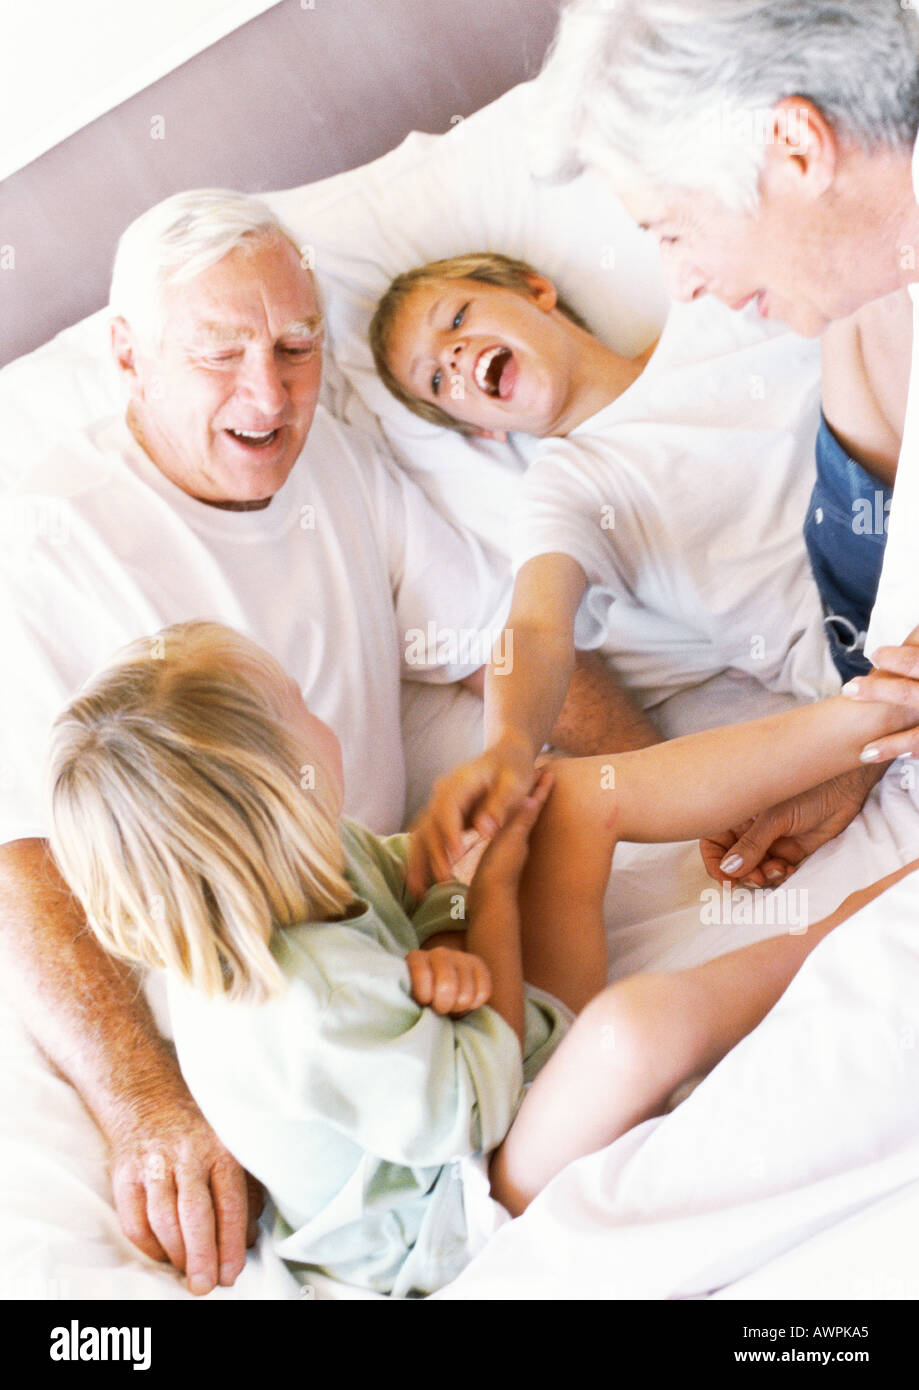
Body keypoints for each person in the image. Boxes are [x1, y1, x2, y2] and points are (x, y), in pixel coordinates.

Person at [0, 189, 634, 1296]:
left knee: (587, 821)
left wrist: (662, 770)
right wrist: (146, 1098)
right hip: (257, 984)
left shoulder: (332, 450)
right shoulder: (50, 547)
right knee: (603, 1046)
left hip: (383, 907)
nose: (270, 392)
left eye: (297, 346)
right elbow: (22, 857)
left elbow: (500, 645)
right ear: (128, 356)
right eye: (221, 353)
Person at [45, 621, 919, 1287]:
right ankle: (846, 925)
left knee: (566, 796)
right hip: (453, 1201)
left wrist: (453, 902)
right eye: (299, 712)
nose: (322, 714)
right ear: (274, 794)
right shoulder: (299, 1003)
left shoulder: (311, 856)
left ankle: (871, 717)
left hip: (462, 1062)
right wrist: (487, 899)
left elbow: (419, 886)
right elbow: (479, 1104)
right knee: (632, 1031)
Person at [535, 0, 919, 891]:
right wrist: (856, 756)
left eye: (672, 229)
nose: (683, 284)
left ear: (795, 147)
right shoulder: (874, 287)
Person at [370, 250, 837, 885]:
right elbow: (536, 625)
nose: (451, 358)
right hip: (866, 646)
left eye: (455, 318)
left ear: (537, 290)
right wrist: (510, 745)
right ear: (478, 431)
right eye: (434, 382)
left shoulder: (713, 309)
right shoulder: (568, 490)